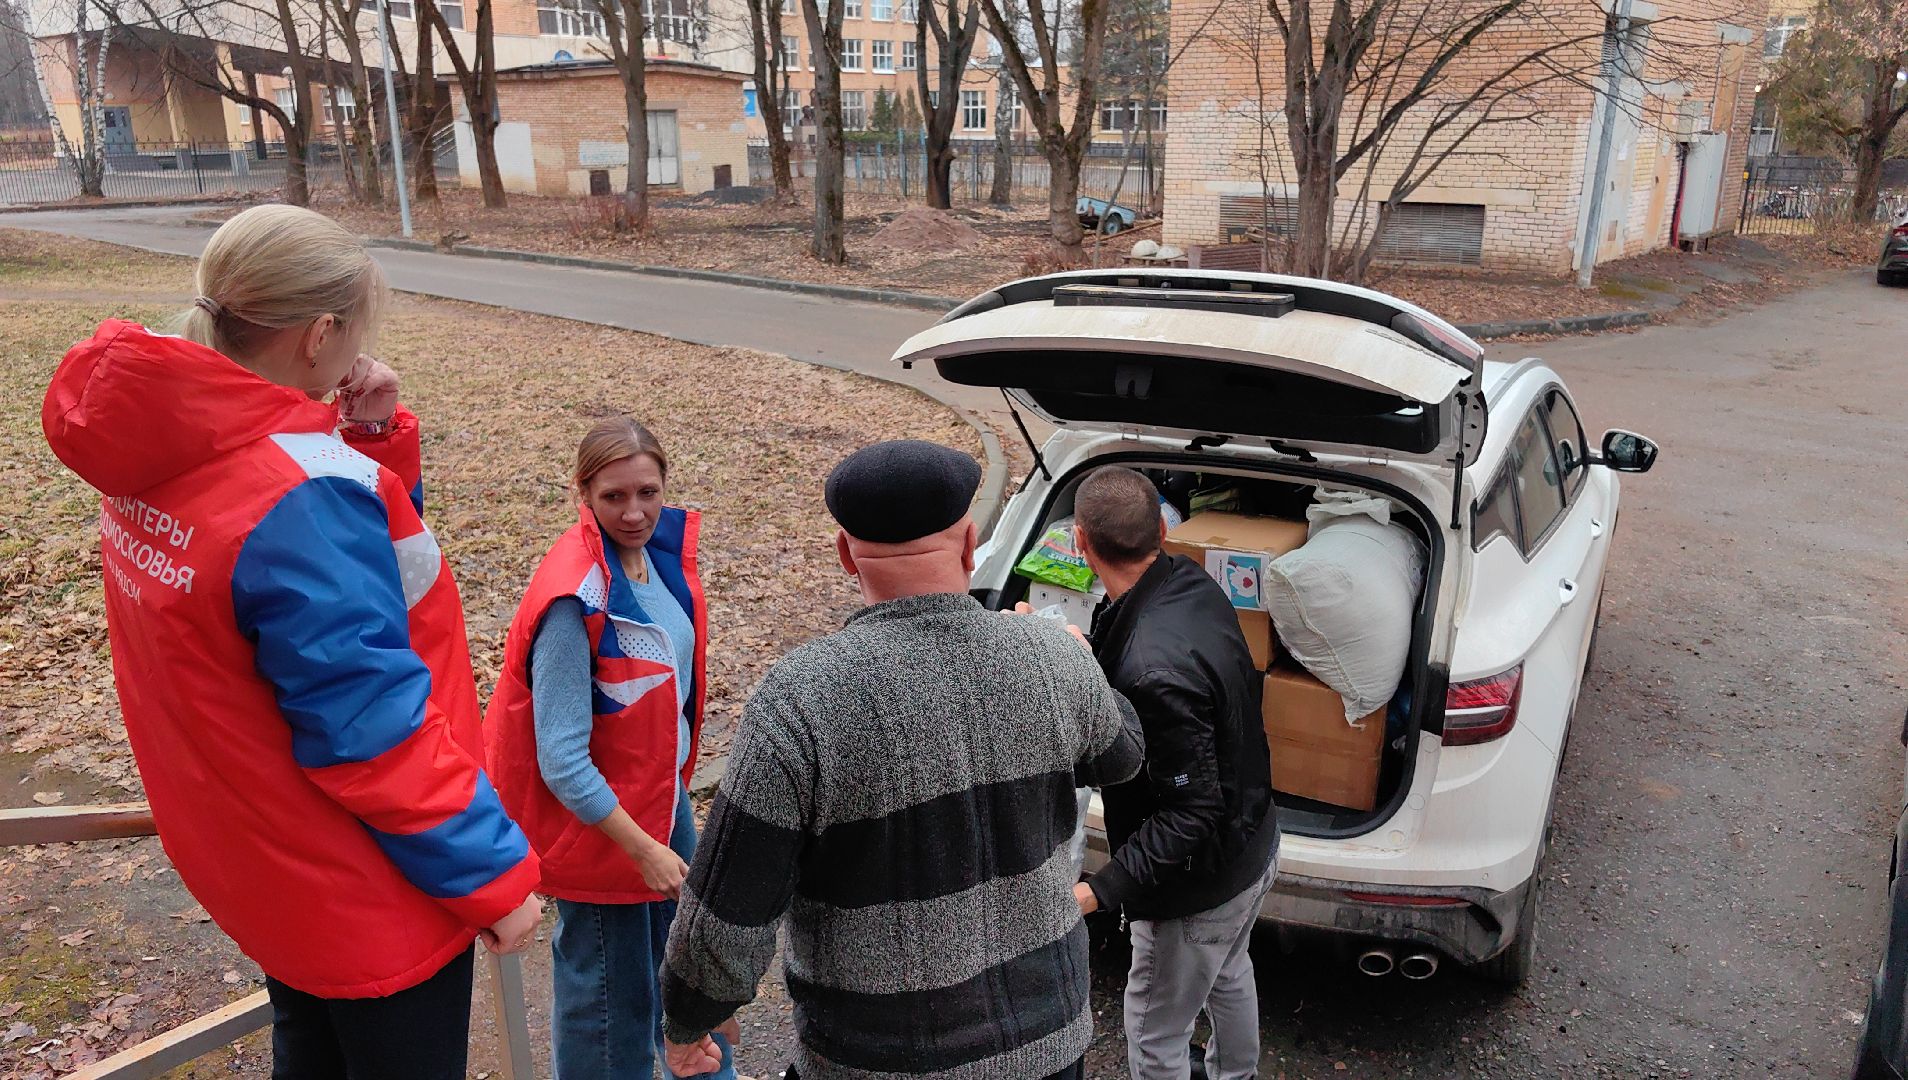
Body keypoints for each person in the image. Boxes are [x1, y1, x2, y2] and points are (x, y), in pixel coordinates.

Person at [40, 204, 543, 1079]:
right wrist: (491, 877)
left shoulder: (162, 446)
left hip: (263, 863)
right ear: (319, 336)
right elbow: (369, 725)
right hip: (368, 887)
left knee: (307, 1050)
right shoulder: (298, 497)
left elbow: (334, 587)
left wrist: (369, 443)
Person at [657, 439, 1145, 1080]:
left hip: (880, 1060)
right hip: (1049, 1045)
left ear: (844, 556)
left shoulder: (801, 699)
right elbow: (1124, 756)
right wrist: (1077, 659)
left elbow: (729, 906)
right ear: (970, 545)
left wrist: (691, 1017)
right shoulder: (1053, 658)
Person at [484, 417, 738, 1080]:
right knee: (607, 1013)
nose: (635, 512)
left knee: (689, 981)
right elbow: (562, 757)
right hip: (606, 834)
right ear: (583, 494)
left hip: (661, 805)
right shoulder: (574, 599)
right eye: (614, 497)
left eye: (648, 492)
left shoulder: (654, 563)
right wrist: (642, 850)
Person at [1070, 466, 1281, 1080]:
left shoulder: (1151, 671)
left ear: (1079, 543)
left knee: (1154, 1028)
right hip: (1255, 840)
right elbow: (1146, 656)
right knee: (1229, 971)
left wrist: (1097, 890)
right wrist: (1077, 651)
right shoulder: (1187, 580)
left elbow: (1192, 811)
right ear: (1162, 528)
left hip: (1200, 887)